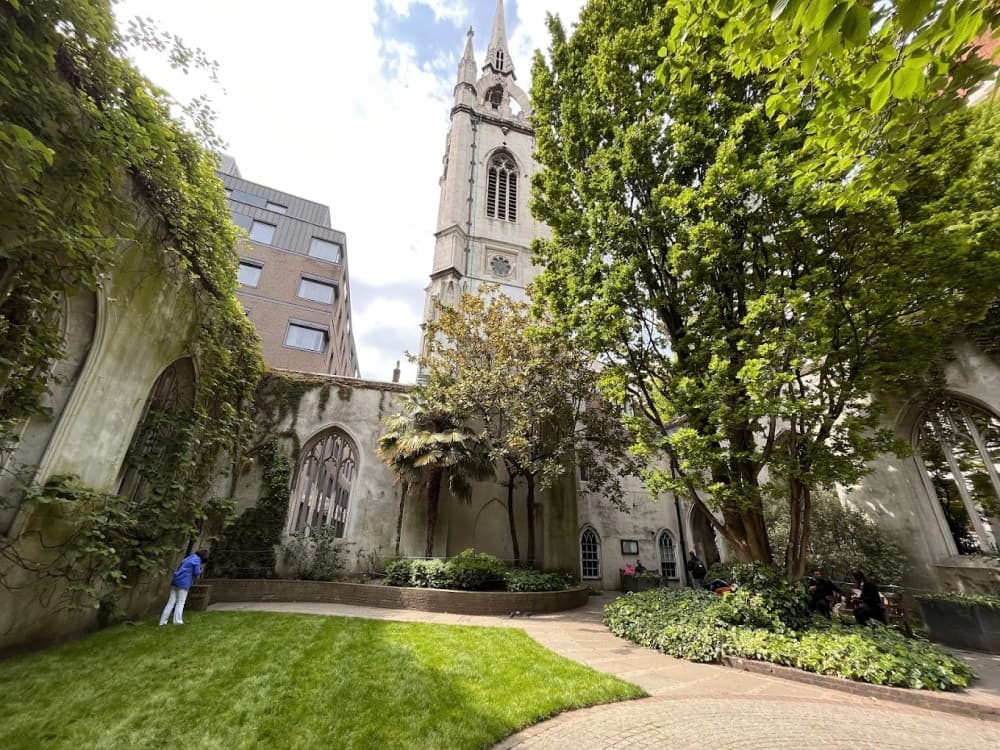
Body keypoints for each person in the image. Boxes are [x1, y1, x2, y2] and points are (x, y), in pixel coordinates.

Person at [159, 549, 207, 626]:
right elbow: (197, 572)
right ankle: (177, 621)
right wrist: (200, 569)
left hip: (175, 581)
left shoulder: (188, 558)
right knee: (180, 602)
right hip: (184, 582)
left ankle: (162, 622)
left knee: (170, 602)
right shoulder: (197, 560)